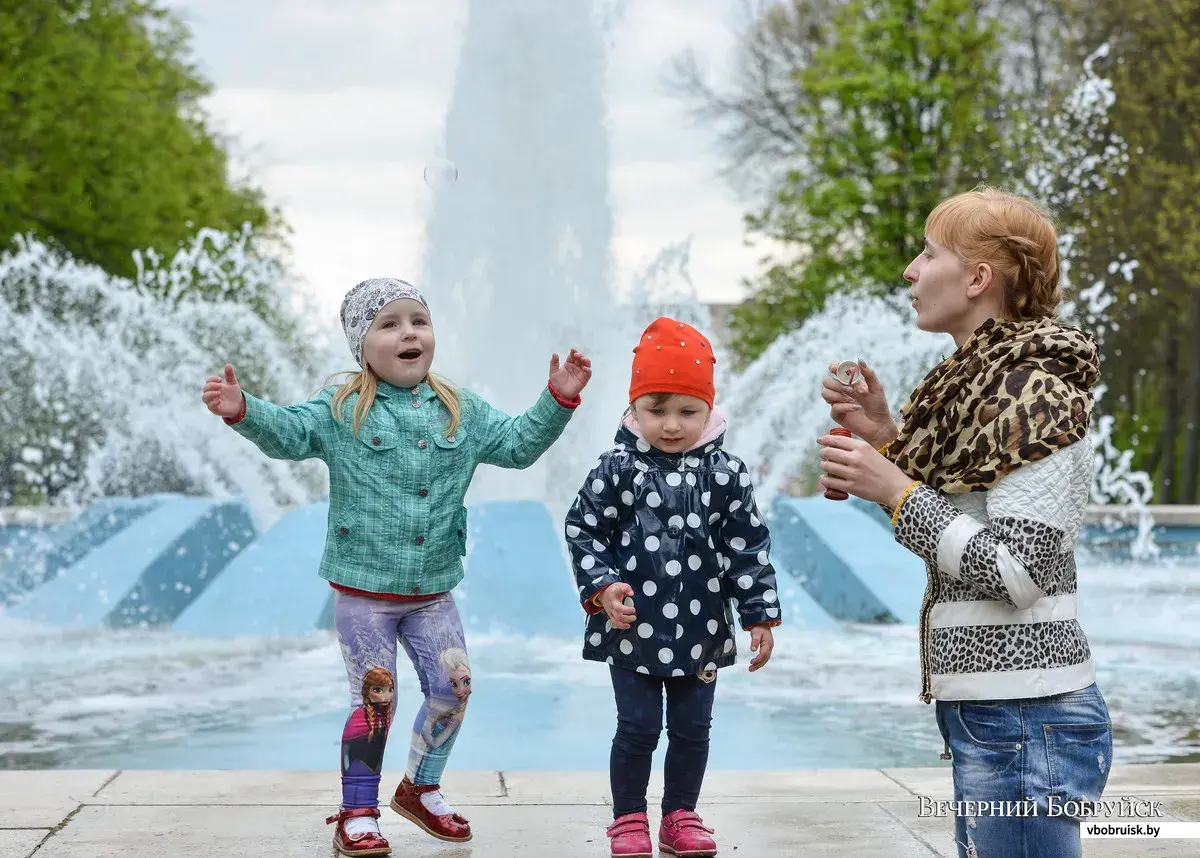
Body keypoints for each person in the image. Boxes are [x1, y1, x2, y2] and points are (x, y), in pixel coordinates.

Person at [201, 277, 591, 856]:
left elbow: (517, 447)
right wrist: (244, 411)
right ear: (362, 346)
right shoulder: (339, 410)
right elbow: (288, 433)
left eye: (418, 321)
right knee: (375, 699)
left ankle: (420, 788)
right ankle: (357, 811)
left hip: (432, 592)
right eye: (389, 324)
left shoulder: (461, 407)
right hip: (364, 593)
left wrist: (556, 401)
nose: (408, 332)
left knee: (454, 689)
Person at [817, 187, 1112, 858]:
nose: (910, 272)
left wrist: (895, 490)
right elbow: (963, 513)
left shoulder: (1034, 391)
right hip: (1000, 713)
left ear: (978, 278)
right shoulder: (976, 383)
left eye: (928, 254)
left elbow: (1018, 572)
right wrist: (888, 441)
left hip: (1027, 715)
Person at [565, 317, 782, 858]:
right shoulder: (618, 467)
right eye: (655, 409)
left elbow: (746, 545)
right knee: (637, 727)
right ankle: (629, 818)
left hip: (703, 627)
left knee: (692, 729)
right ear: (633, 408)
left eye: (688, 411)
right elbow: (583, 527)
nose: (671, 425)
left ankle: (681, 813)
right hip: (631, 626)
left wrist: (758, 612)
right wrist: (603, 587)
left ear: (709, 409)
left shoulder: (726, 472)